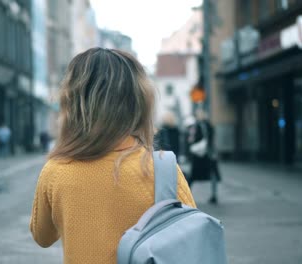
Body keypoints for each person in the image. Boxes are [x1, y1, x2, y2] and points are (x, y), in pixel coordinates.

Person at [29, 48, 196, 264]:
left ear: (73, 104)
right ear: (139, 103)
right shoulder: (162, 168)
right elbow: (192, 236)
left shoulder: (56, 170)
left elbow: (42, 236)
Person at [185, 108, 221, 204]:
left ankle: (186, 196)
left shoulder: (196, 126)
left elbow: (190, 140)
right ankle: (213, 195)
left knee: (193, 176)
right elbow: (213, 139)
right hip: (207, 154)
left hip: (201, 154)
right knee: (210, 174)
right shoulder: (208, 125)